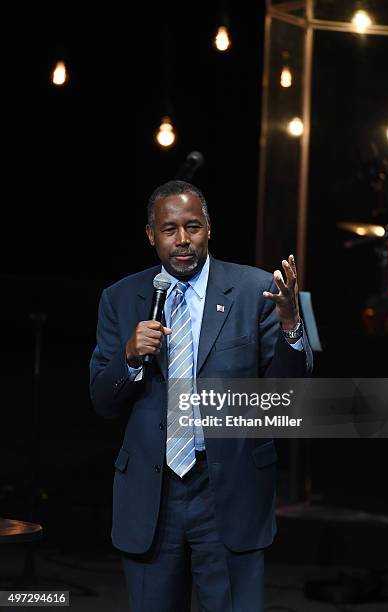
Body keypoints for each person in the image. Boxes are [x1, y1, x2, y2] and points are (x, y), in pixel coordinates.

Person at [89, 180, 313, 612]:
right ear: (151, 235)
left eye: (192, 227)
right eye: (169, 230)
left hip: (228, 488)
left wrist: (291, 326)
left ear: (209, 229)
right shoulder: (120, 298)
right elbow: (102, 400)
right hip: (153, 495)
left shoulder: (256, 291)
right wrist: (129, 358)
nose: (182, 240)